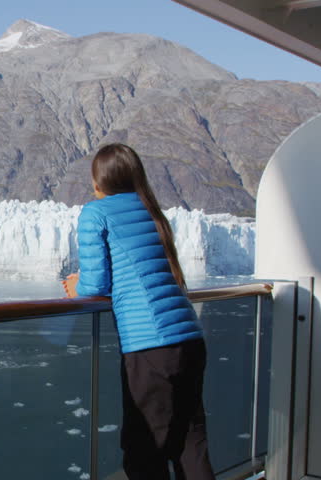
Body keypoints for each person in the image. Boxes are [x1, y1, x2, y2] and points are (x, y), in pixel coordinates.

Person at [61, 143, 215, 480]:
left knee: (144, 451)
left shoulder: (96, 212)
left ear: (99, 181)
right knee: (190, 443)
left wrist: (75, 287)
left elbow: (96, 282)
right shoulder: (151, 210)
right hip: (189, 338)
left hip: (151, 346)